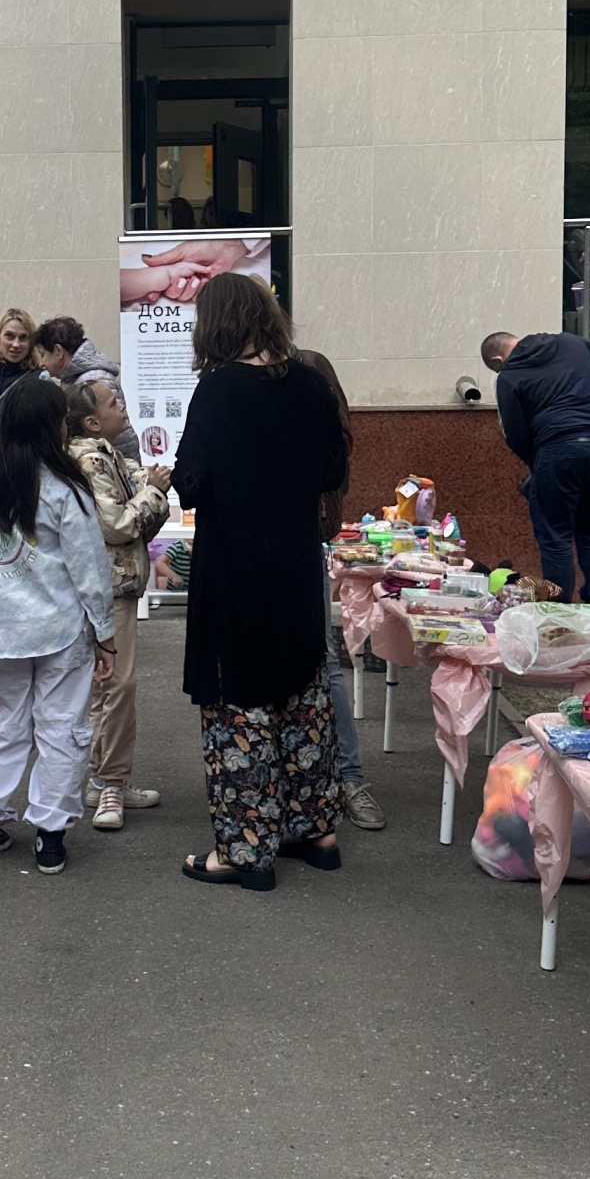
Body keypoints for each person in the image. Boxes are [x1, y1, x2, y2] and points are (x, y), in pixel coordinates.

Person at [173, 276, 348, 890]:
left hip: (234, 570)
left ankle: (247, 850)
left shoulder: (218, 390)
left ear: (215, 324)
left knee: (238, 705)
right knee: (303, 695)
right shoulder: (309, 384)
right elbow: (332, 468)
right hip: (297, 563)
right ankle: (317, 831)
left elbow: (190, 483)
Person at [0, 375, 115, 877]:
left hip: (1, 633)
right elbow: (89, 567)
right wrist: (104, 631)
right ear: (53, 426)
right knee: (62, 727)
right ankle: (50, 834)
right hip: (60, 629)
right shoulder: (65, 486)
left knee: (7, 723)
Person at [65, 375, 171, 831]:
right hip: (111, 587)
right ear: (92, 420)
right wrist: (154, 490)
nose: (122, 407)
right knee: (117, 685)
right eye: (113, 402)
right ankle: (110, 781)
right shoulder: (91, 459)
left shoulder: (106, 454)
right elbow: (121, 524)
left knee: (104, 685)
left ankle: (101, 776)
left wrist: (149, 491)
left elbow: (138, 516)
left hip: (105, 585)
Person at [294, 347, 384, 832]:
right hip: (270, 555)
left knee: (324, 663)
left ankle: (348, 778)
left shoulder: (326, 438)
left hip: (302, 549)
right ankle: (314, 782)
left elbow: (326, 503)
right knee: (315, 664)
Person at [480, 328, 590, 605]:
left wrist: (538, 464)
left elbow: (516, 434)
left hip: (559, 448)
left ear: (499, 359)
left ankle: (559, 610)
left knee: (555, 535)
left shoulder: (509, 375)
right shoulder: (571, 342)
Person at [32, 316, 137, 461]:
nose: (42, 363)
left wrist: (125, 471)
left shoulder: (93, 379)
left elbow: (117, 429)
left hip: (109, 465)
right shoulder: (78, 377)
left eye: (43, 354)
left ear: (58, 351)